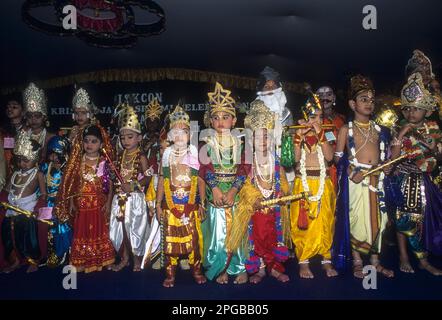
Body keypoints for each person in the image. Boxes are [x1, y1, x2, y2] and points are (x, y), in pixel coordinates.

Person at [334, 75, 394, 278]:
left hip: (378, 181)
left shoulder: (381, 130)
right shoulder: (345, 129)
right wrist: (351, 172)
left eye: (371, 99)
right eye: (363, 99)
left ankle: (375, 262)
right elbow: (337, 159)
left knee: (379, 221)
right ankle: (358, 261)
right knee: (357, 221)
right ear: (352, 104)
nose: (369, 103)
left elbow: (385, 156)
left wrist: (387, 168)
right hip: (356, 181)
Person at [229, 100, 291, 283]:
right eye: (258, 138)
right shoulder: (248, 162)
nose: (263, 141)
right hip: (255, 209)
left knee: (274, 237)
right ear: (250, 140)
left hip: (274, 209)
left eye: (266, 137)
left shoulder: (276, 161)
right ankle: (261, 269)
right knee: (257, 239)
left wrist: (283, 194)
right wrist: (254, 198)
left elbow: (282, 181)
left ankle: (275, 268)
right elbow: (245, 185)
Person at [390, 73, 442, 275]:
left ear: (427, 112)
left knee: (424, 219)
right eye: (408, 108)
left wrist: (434, 147)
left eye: (417, 109)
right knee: (402, 217)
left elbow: (439, 158)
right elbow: (393, 157)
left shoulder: (433, 129)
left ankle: (423, 259)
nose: (412, 113)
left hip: (425, 180)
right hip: (403, 178)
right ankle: (404, 256)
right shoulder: (398, 128)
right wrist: (402, 134)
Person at [200, 82, 249, 284]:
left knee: (238, 234)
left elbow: (244, 169)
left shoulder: (242, 142)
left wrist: (233, 191)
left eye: (225, 117)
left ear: (234, 119)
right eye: (216, 117)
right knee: (217, 235)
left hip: (235, 196)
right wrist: (217, 189)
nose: (220, 122)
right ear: (210, 121)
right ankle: (219, 267)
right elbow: (205, 168)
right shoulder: (206, 143)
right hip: (215, 196)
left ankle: (239, 267)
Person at [155, 105, 206, 287]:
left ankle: (197, 270)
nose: (179, 136)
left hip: (190, 203)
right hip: (171, 204)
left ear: (189, 135)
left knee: (193, 240)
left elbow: (199, 180)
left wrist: (201, 203)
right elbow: (162, 180)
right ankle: (170, 273)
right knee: (170, 241)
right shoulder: (167, 154)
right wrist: (158, 205)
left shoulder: (193, 152)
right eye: (175, 133)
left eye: (184, 132)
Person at [290, 94, 338, 278]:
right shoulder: (295, 134)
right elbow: (293, 160)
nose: (317, 120)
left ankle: (326, 260)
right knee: (303, 224)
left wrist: (321, 135)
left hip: (323, 183)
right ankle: (303, 261)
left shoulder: (328, 133)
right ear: (302, 118)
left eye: (319, 117)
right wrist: (297, 139)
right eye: (312, 117)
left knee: (325, 220)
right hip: (302, 184)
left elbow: (329, 157)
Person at [55, 125, 115, 273]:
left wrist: (108, 203)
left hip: (98, 205)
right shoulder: (77, 163)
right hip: (81, 206)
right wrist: (70, 203)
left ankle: (104, 260)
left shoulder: (104, 162)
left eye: (94, 141)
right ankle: (81, 261)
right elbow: (72, 186)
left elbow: (110, 185)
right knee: (82, 233)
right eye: (86, 141)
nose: (89, 144)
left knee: (100, 232)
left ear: (101, 144)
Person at [109, 105, 151, 272]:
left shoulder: (141, 157)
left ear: (139, 138)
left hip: (134, 200)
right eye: (123, 137)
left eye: (130, 137)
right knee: (120, 231)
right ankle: (124, 258)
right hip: (119, 199)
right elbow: (114, 179)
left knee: (133, 230)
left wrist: (132, 186)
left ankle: (136, 259)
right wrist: (112, 174)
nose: (126, 141)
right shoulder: (119, 156)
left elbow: (148, 178)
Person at [1, 131, 46, 273]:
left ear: (36, 159)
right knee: (8, 233)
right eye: (20, 160)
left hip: (28, 210)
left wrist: (38, 208)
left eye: (27, 160)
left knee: (28, 235)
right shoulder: (15, 173)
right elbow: (7, 190)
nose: (23, 163)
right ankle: (14, 260)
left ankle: (33, 260)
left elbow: (44, 194)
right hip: (11, 207)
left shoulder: (38, 174)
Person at [23, 83, 55, 162]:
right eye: (30, 116)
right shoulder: (22, 136)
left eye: (37, 116)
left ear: (44, 117)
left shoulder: (51, 137)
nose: (33, 119)